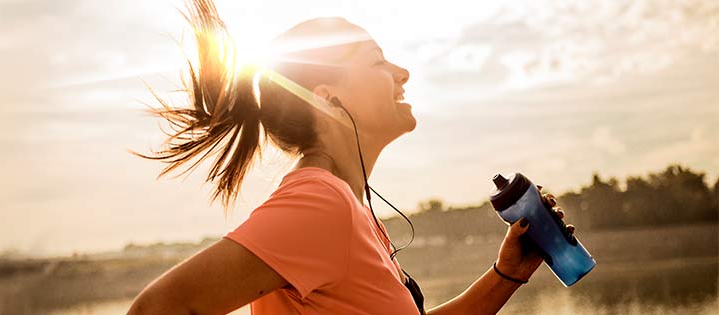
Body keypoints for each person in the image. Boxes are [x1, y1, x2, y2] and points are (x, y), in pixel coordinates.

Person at [128, 1, 574, 314]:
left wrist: (506, 274)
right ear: (328, 97)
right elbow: (157, 309)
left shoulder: (349, 206)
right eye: (378, 61)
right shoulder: (321, 204)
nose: (403, 73)